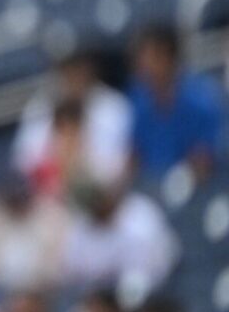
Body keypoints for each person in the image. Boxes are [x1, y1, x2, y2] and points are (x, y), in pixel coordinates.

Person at [14, 52, 133, 193]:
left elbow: (119, 166)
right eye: (68, 69)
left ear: (90, 69)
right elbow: (24, 163)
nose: (75, 76)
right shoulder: (40, 106)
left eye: (79, 69)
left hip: (101, 191)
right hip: (49, 193)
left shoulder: (113, 105)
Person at [126, 24, 224, 179]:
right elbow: (135, 154)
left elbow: (205, 161)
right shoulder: (138, 97)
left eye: (148, 58)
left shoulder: (201, 100)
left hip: (197, 187)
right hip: (149, 185)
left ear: (166, 57)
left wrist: (181, 179)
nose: (142, 66)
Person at [0, 171, 70, 301]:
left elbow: (56, 274)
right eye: (13, 200)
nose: (18, 204)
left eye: (21, 198)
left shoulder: (52, 217)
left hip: (40, 297)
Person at [62, 181, 179, 290]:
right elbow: (75, 272)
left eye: (101, 198)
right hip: (100, 291)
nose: (99, 203)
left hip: (155, 284)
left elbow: (143, 275)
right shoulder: (83, 225)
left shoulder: (139, 213)